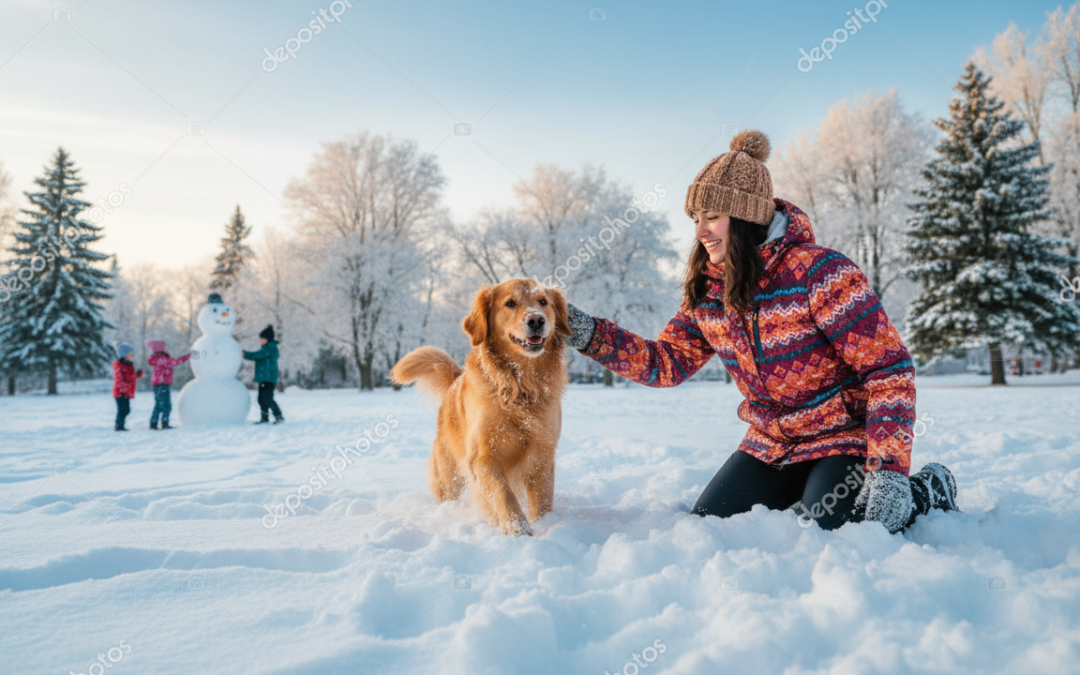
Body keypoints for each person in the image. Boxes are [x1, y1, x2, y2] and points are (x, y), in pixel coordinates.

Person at [565, 130, 959, 534]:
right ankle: (806, 487)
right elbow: (666, 364)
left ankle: (927, 490)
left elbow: (888, 370)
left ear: (746, 216)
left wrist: (889, 468)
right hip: (773, 444)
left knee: (836, 523)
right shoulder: (709, 291)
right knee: (712, 522)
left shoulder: (820, 273)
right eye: (695, 219)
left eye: (712, 217)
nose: (700, 231)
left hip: (845, 436)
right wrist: (586, 332)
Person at [146, 339, 192, 429]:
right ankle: (160, 423)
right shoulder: (161, 359)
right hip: (161, 384)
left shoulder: (158, 359)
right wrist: (188, 356)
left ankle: (157, 422)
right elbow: (175, 362)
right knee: (164, 404)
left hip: (160, 384)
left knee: (161, 404)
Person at [243, 325, 283, 424]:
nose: (260, 340)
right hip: (264, 378)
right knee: (261, 399)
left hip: (269, 379)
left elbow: (257, 355)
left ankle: (279, 417)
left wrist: (245, 354)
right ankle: (264, 418)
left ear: (267, 339)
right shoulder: (266, 348)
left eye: (262, 338)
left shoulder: (270, 348)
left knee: (268, 398)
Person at [112, 344, 143, 431]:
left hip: (125, 392)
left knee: (126, 409)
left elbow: (129, 377)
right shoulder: (121, 366)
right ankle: (119, 425)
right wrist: (136, 375)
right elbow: (126, 377)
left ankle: (120, 424)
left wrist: (136, 375)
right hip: (120, 393)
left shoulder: (128, 365)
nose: (133, 357)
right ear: (124, 355)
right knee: (122, 410)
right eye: (131, 355)